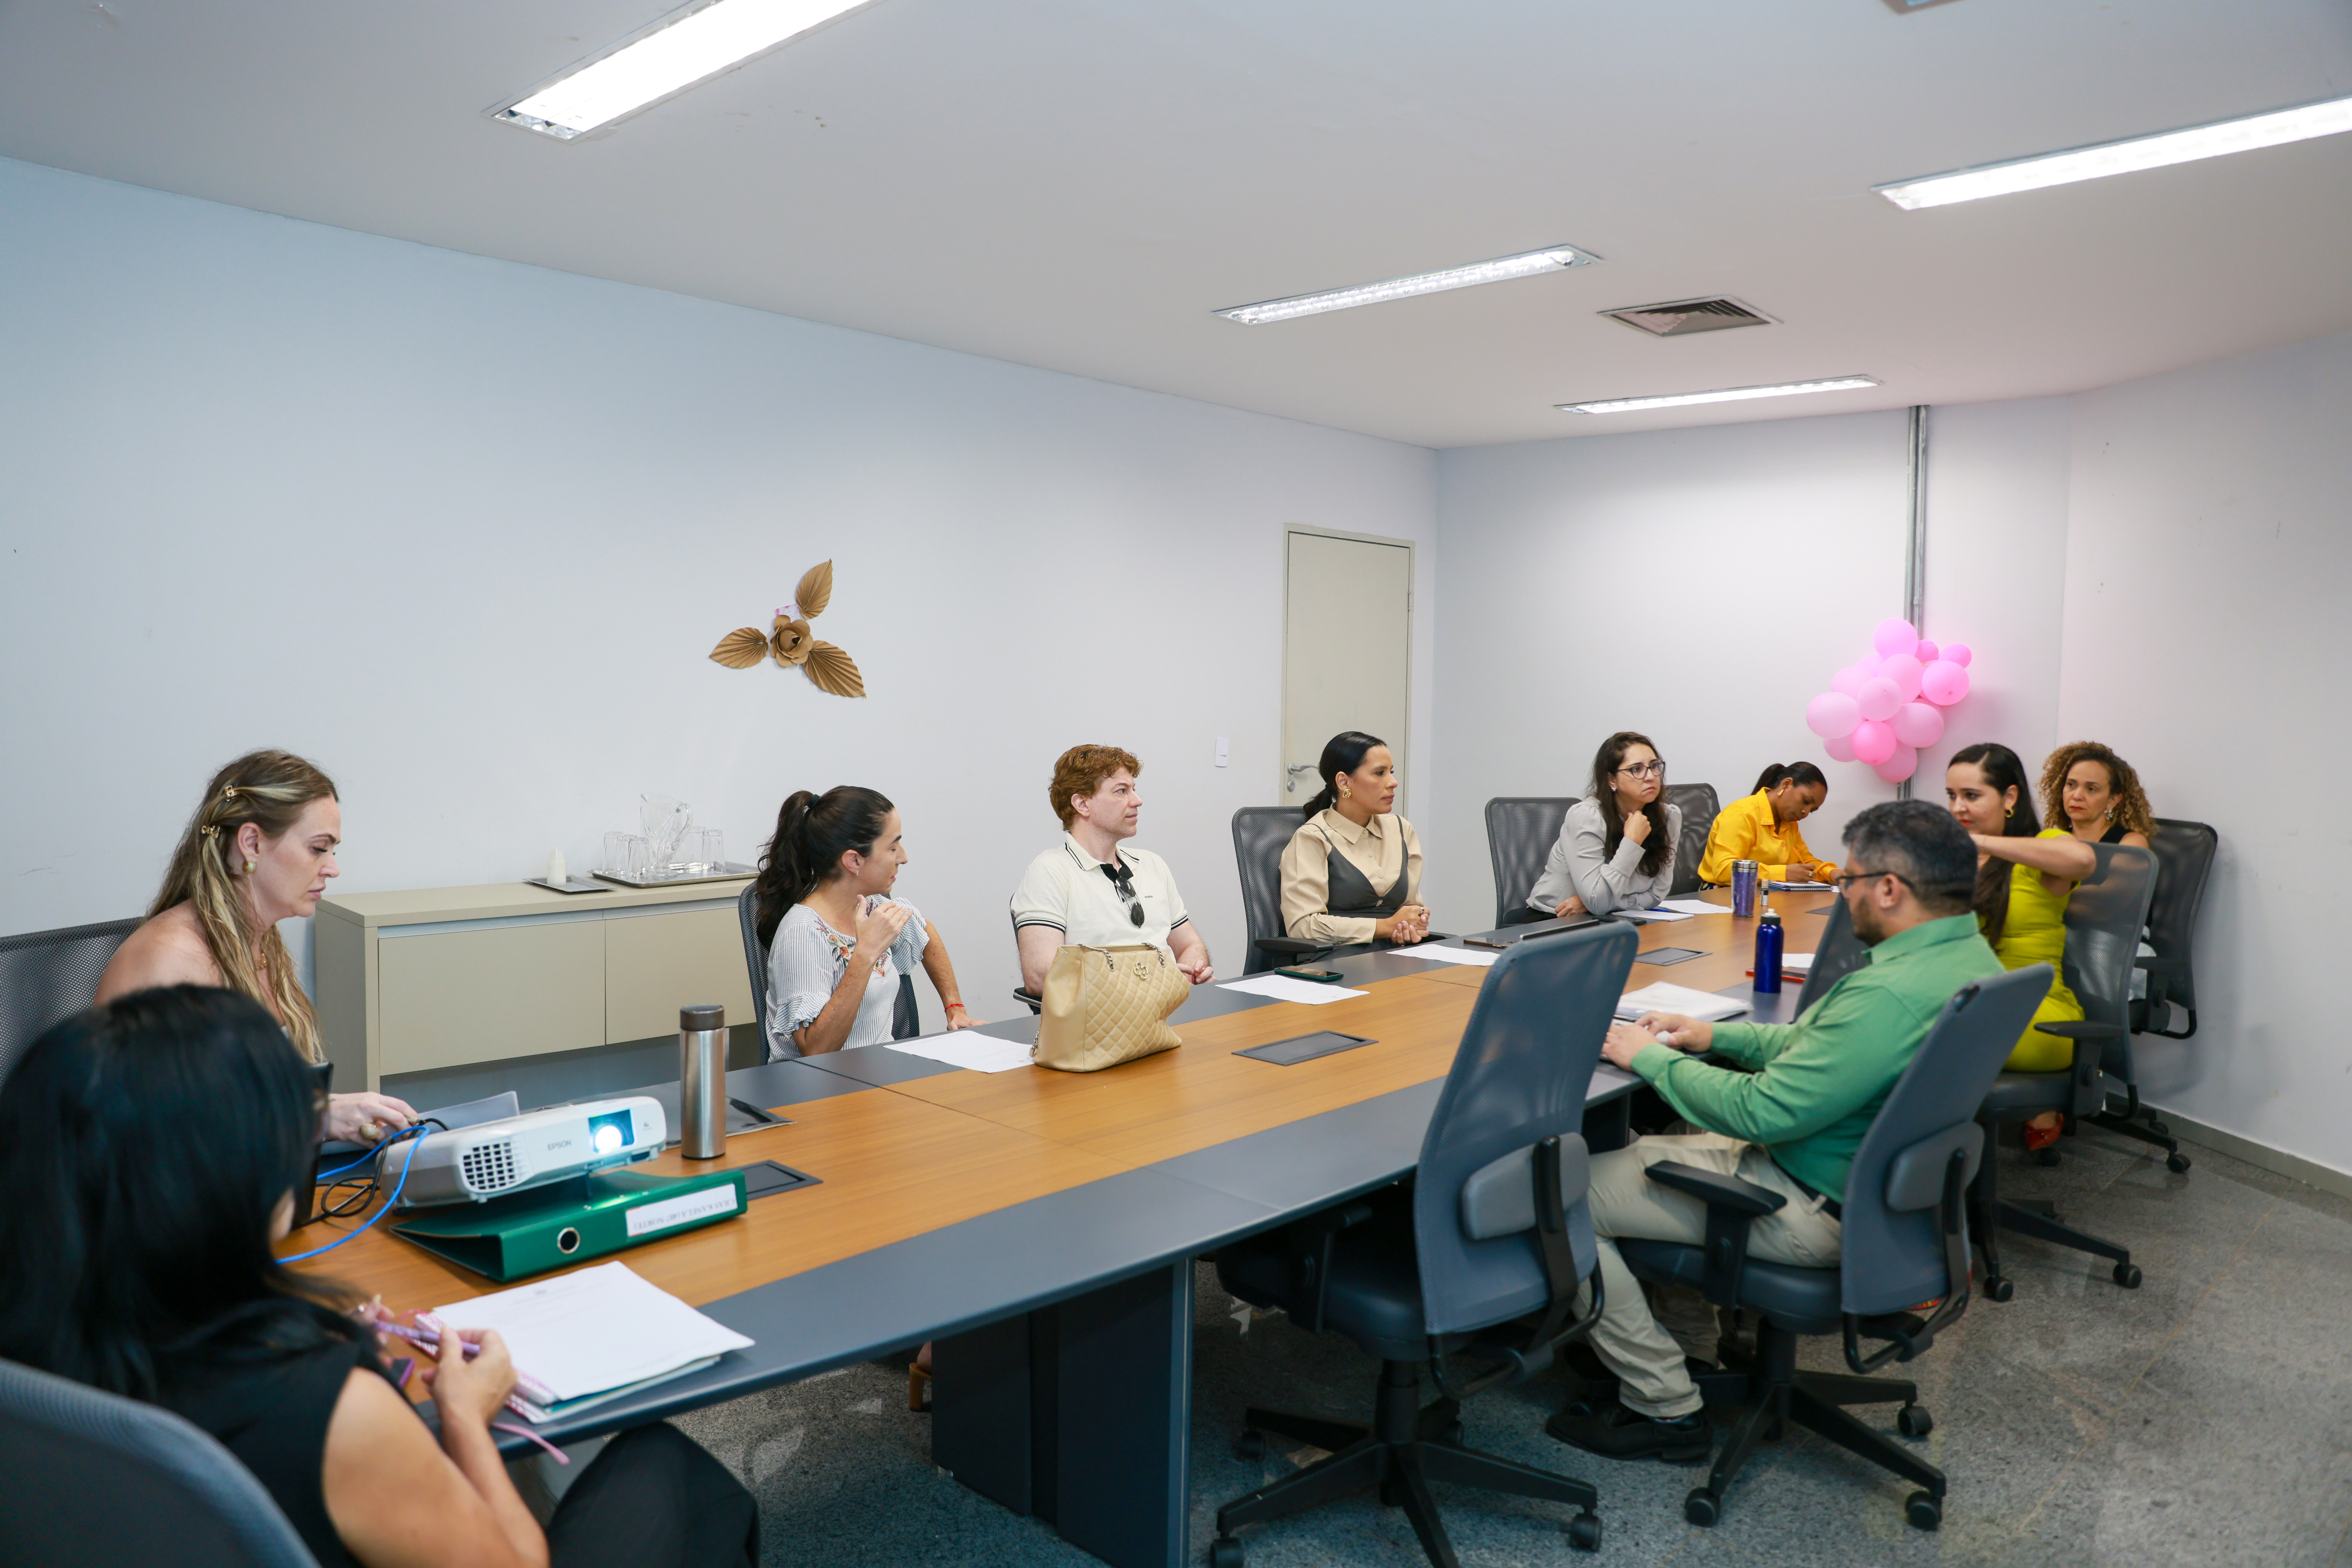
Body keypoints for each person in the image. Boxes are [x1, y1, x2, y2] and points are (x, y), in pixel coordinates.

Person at [0, 986, 759, 1568]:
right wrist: (465, 1416)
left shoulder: (31, 1342)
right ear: (233, 1180)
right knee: (670, 1466)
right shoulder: (331, 1407)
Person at [1545, 801, 1999, 1461]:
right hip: (1878, 1198)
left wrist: (1648, 1059)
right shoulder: (1966, 957)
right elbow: (1822, 1045)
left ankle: (1663, 1403)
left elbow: (1758, 1112)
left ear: (1889, 889)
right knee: (1666, 1135)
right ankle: (1691, 1350)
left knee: (1565, 1193)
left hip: (1806, 1201)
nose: (1843, 894)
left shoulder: (1888, 993)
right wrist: (1714, 1037)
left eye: (1849, 881)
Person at [96, 749, 413, 1147]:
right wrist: (314, 1115)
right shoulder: (169, 958)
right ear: (252, 843)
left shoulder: (259, 941)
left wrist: (331, 1109)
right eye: (318, 848)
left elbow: (235, 1094)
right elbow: (147, 1128)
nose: (333, 868)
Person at [753, 786, 983, 1058]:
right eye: (893, 847)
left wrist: (955, 1008)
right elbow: (815, 1049)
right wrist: (865, 955)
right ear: (854, 861)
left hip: (880, 1073)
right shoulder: (802, 933)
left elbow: (925, 932)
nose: (903, 858)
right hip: (821, 1083)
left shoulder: (874, 906)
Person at [1946, 742, 2098, 1148]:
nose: (1958, 807)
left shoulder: (2040, 848)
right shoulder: (1957, 860)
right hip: (1971, 1003)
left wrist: (1983, 843)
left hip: (2039, 1014)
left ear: (2010, 797)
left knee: (1921, 1029)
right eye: (1952, 795)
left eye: (1971, 795)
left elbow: (2083, 861)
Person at [1010, 745, 1214, 994]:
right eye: (1121, 791)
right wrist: (1153, 981)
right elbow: (1042, 976)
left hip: (1175, 1005)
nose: (1137, 801)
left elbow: (1190, 945)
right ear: (1082, 804)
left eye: (1133, 790)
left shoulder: (1153, 864)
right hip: (1105, 1016)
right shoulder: (1049, 872)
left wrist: (1193, 972)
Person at [1278, 731, 1430, 948]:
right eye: (1380, 773)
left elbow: (1410, 909)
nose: (1393, 783)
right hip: (1336, 958)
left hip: (1395, 954)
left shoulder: (1401, 830)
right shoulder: (1312, 838)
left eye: (1391, 772)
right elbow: (1303, 926)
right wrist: (1384, 927)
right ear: (1344, 782)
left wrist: (1412, 924)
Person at [1526, 731, 1681, 919]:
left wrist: (1597, 904)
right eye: (1637, 769)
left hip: (1617, 916)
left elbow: (1657, 894)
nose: (1650, 777)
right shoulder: (1587, 816)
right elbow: (1598, 902)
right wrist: (1632, 842)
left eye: (1654, 766)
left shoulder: (1669, 817)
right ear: (1611, 780)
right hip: (1555, 919)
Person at [1696, 761, 1840, 887]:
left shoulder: (1788, 823)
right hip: (1724, 894)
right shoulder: (1742, 814)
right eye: (1806, 801)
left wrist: (1832, 873)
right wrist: (1783, 873)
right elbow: (1724, 870)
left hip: (1763, 892)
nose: (1806, 812)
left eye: (1812, 810)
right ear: (1787, 784)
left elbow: (1805, 861)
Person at [2039, 741, 2155, 850]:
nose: (2077, 796)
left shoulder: (2131, 842)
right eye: (2071, 785)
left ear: (2113, 800)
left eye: (2091, 789)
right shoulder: (2054, 839)